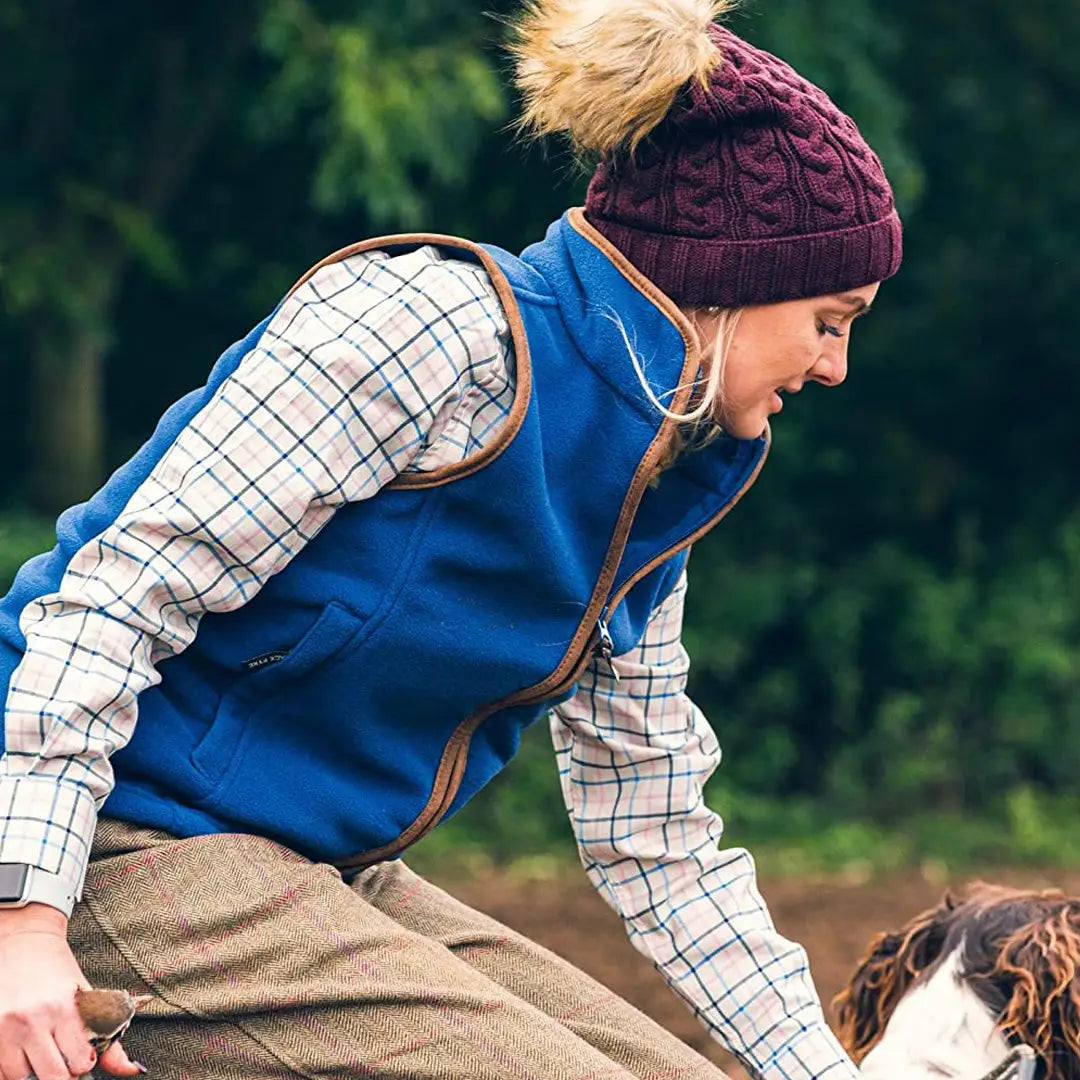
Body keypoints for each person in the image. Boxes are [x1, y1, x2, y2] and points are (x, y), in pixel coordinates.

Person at [0, 1, 902, 1078]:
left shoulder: (652, 489)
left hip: (311, 866)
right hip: (107, 835)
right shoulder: (429, 332)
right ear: (731, 284)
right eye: (831, 321)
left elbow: (656, 835)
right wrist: (23, 921)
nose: (834, 367)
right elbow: (116, 592)